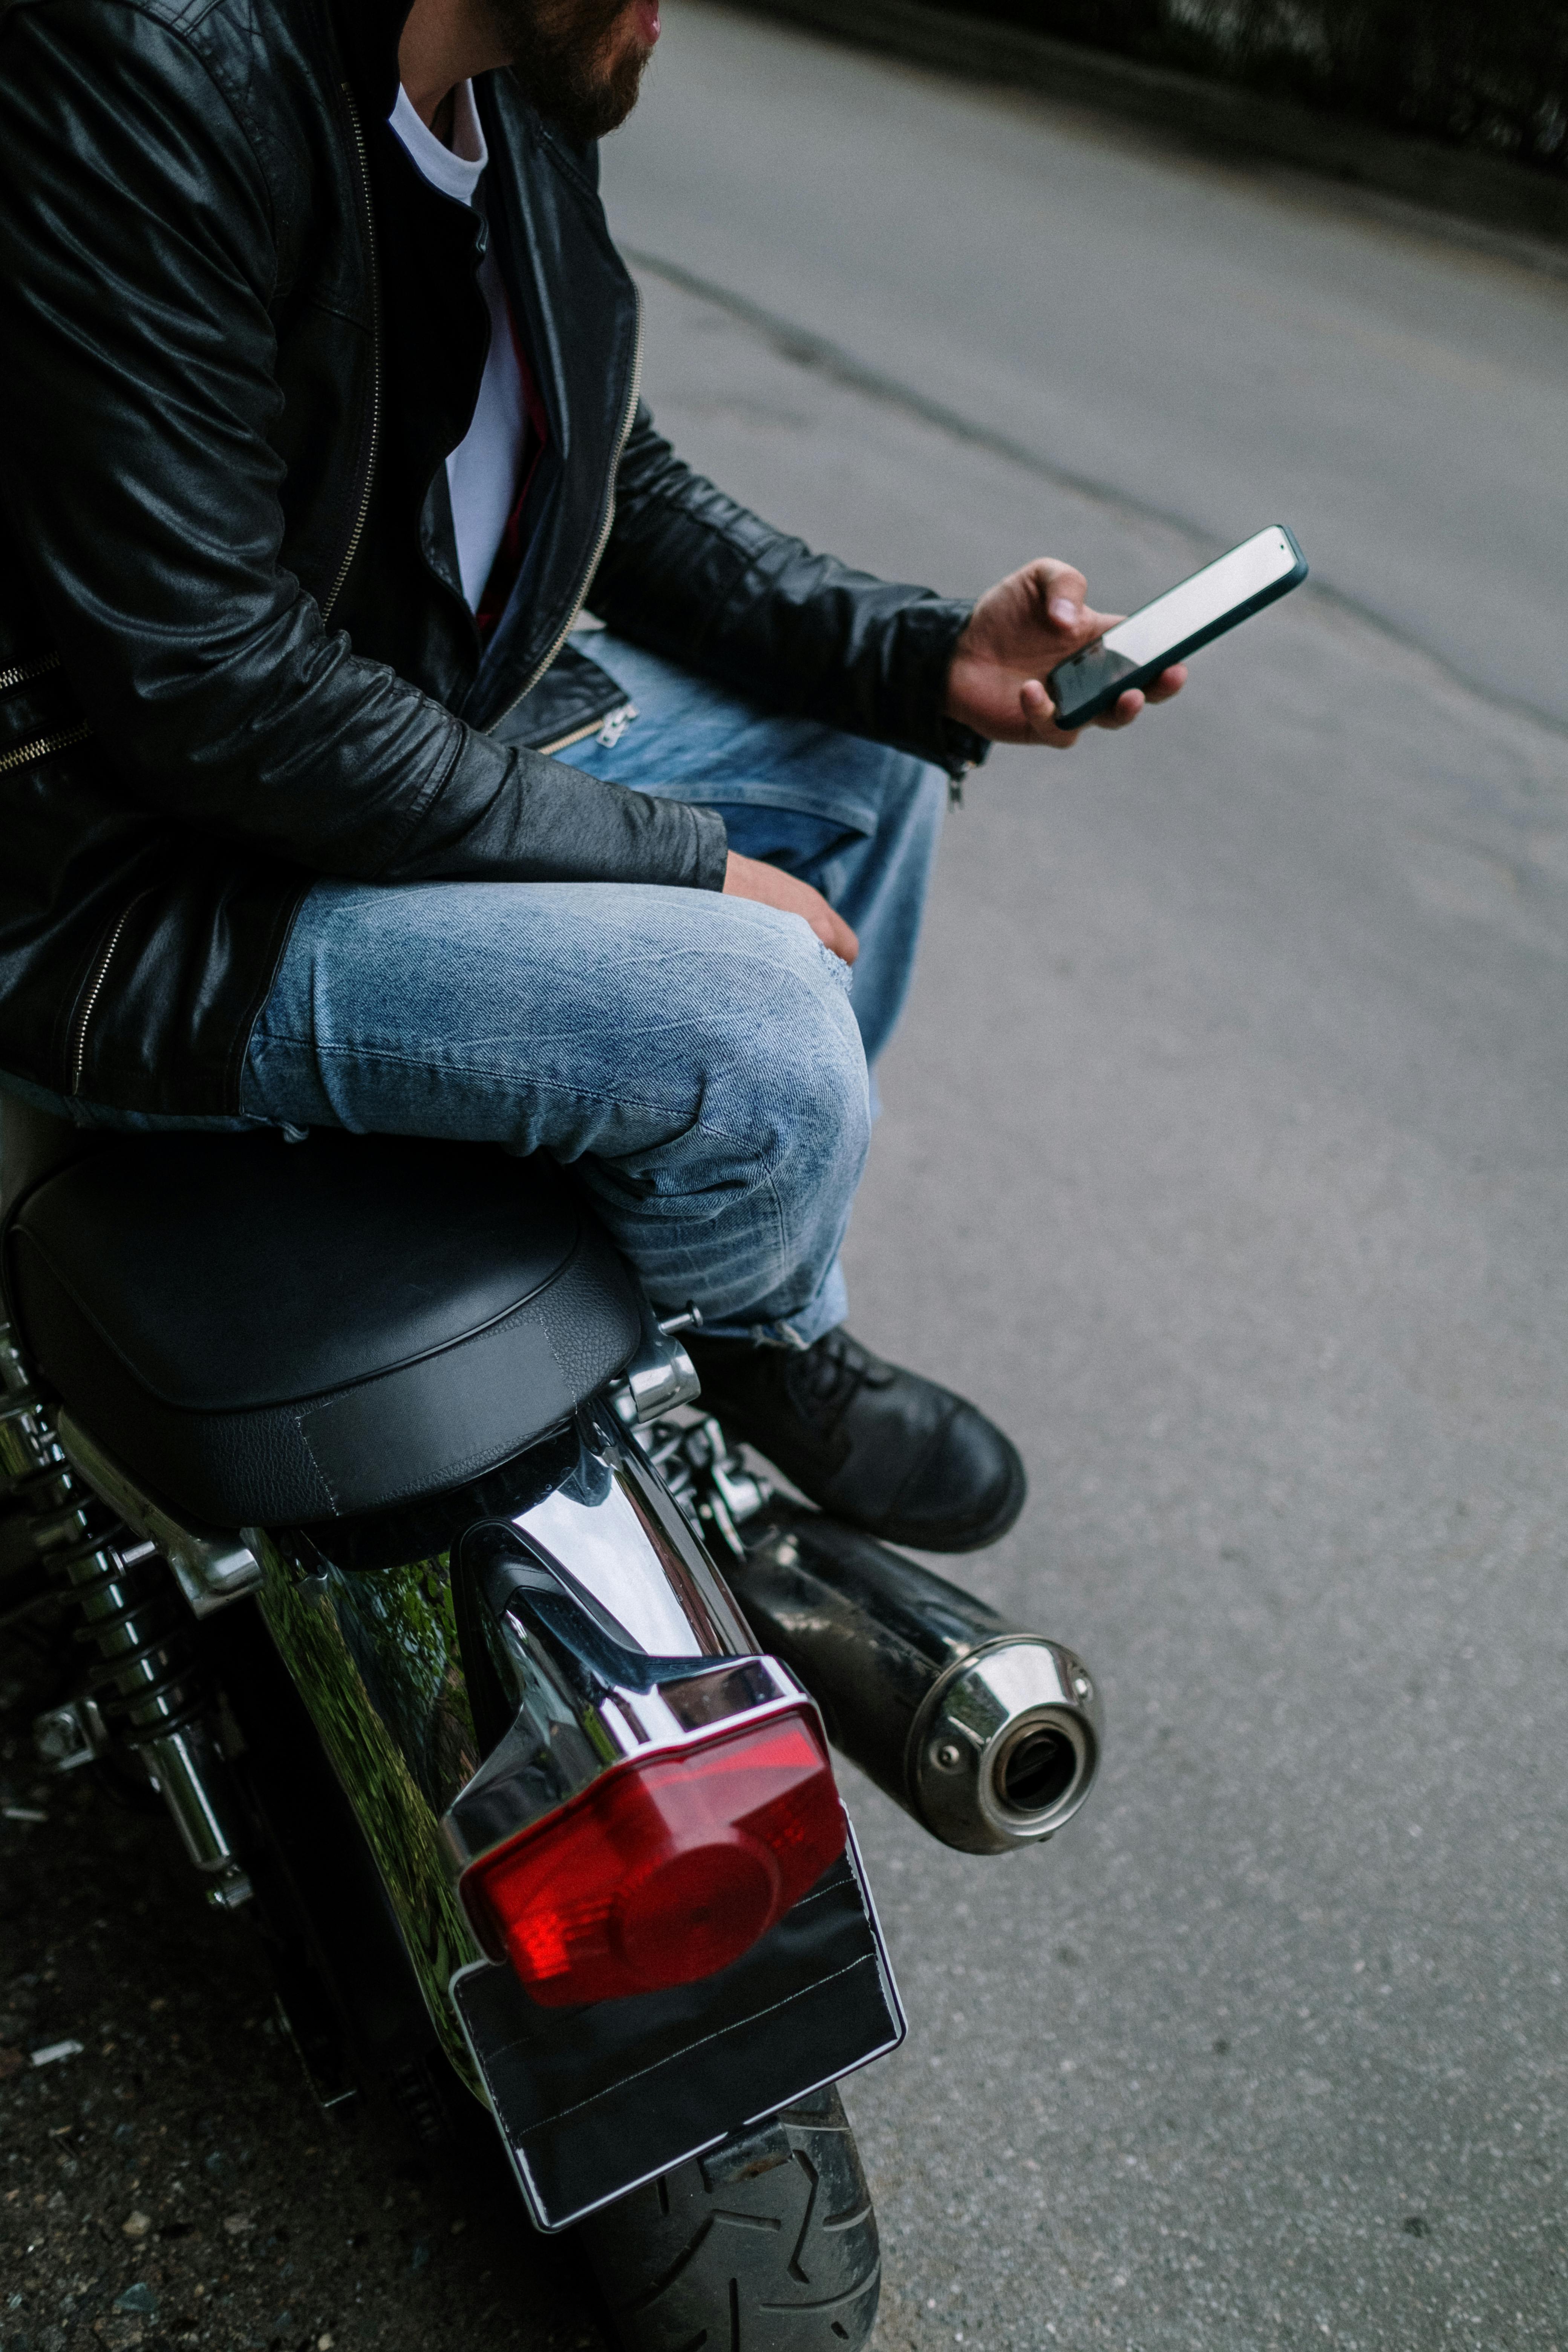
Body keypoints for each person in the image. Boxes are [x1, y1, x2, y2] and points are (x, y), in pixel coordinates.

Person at [0, 0, 1184, 1553]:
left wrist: (915, 659)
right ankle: (749, 1350)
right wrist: (672, 862)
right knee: (761, 1014)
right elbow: (213, 685)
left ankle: (745, 1320)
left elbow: (608, 480)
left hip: (382, 759)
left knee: (865, 768)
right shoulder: (151, 63)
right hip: (141, 883)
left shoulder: (520, 94)